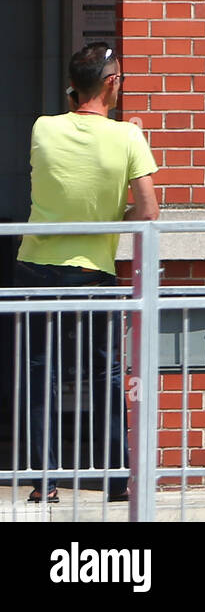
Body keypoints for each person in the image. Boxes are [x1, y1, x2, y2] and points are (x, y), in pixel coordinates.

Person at [14, 41, 159, 502]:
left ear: (73, 86)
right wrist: (112, 226)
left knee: (40, 372)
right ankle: (116, 478)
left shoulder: (42, 127)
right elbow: (150, 209)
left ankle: (44, 482)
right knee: (105, 372)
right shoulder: (128, 136)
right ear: (112, 83)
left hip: (36, 263)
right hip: (94, 268)